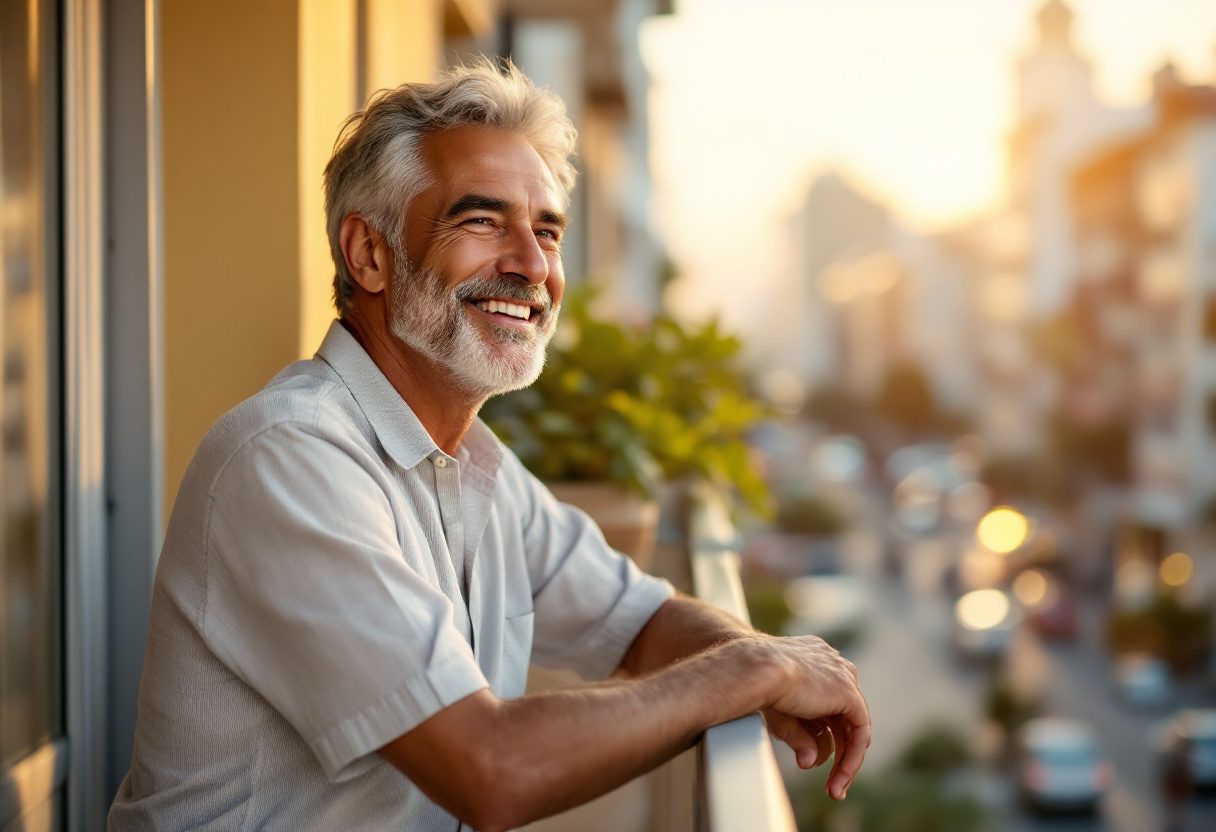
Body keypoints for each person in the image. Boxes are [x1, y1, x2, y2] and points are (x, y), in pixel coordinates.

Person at [108, 59, 870, 832]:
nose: (533, 265)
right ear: (368, 255)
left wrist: (757, 665)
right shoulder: (287, 457)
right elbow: (491, 770)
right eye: (480, 220)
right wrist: (755, 668)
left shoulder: (477, 467)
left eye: (546, 231)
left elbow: (641, 620)